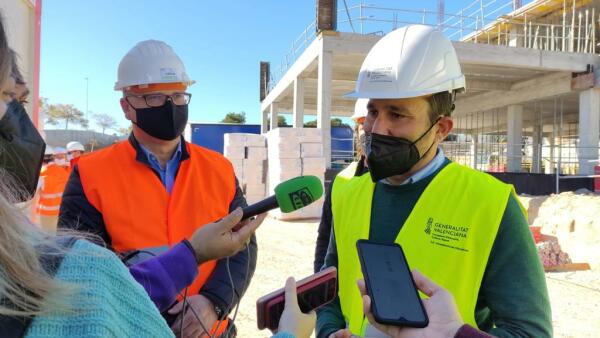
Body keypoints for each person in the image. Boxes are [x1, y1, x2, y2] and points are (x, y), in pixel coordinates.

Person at [317, 25, 551, 338]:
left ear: (441, 128)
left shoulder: (490, 204)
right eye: (373, 111)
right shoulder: (346, 189)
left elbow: (529, 331)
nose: (377, 129)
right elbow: (329, 283)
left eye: (397, 114)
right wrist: (329, 330)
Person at [58, 39, 256, 337]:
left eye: (178, 95)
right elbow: (83, 276)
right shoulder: (89, 173)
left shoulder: (219, 168)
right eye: (153, 97)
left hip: (211, 329)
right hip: (134, 330)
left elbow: (244, 246)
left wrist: (213, 302)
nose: (170, 106)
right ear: (126, 107)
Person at [313, 98, 372, 273]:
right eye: (363, 123)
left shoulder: (401, 180)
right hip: (346, 296)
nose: (370, 129)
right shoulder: (342, 180)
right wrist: (319, 284)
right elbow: (325, 238)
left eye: (375, 119)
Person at [35, 146, 70, 232]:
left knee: (47, 236)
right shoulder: (64, 172)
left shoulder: (41, 174)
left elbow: (33, 193)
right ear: (52, 157)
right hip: (62, 210)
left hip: (47, 213)